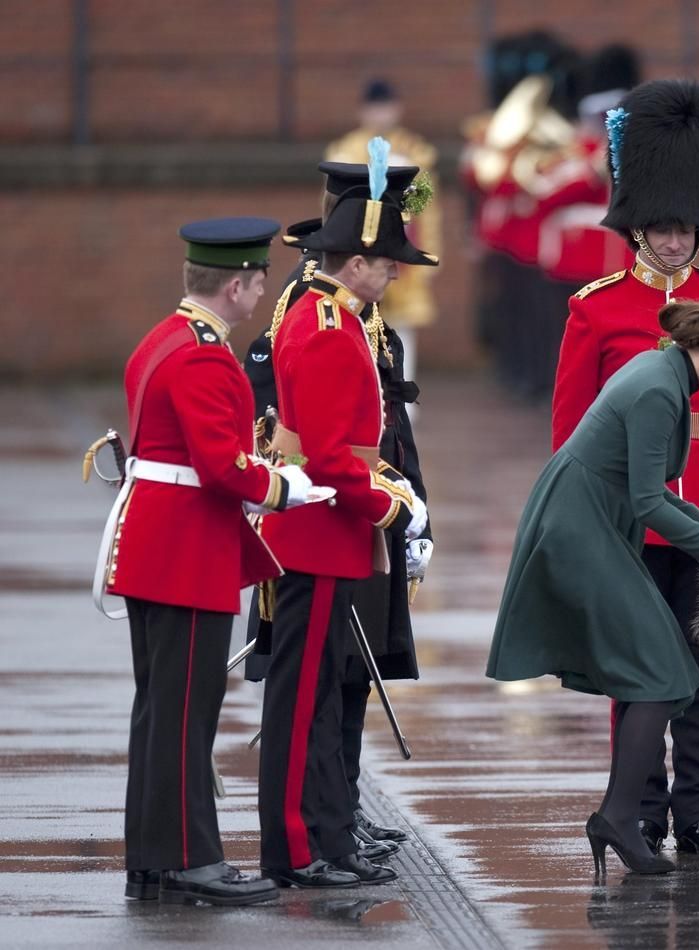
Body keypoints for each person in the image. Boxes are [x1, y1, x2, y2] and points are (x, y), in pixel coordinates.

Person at [552, 78, 699, 858]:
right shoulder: (597, 306)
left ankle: (698, 809)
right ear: (638, 228)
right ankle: (641, 804)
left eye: (686, 229)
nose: (677, 241)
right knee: (636, 671)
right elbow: (571, 431)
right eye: (663, 229)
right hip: (630, 520)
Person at [488, 292, 699, 874]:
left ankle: (619, 817)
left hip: (595, 518)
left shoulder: (665, 374)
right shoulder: (657, 388)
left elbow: (655, 492)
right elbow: (649, 502)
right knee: (658, 670)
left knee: (664, 670)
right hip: (583, 527)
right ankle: (621, 816)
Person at [103, 217, 312, 906]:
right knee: (188, 712)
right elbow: (222, 468)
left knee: (161, 710)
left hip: (159, 545)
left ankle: (154, 856)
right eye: (256, 283)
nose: (260, 295)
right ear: (236, 282)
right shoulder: (203, 355)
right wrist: (286, 487)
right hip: (186, 551)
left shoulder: (165, 338)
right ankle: (191, 859)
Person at [242, 159, 432, 857]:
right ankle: (298, 848)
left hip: (338, 531)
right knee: (301, 701)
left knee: (324, 690)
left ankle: (324, 834)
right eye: (386, 263)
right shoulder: (323, 324)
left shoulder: (344, 318)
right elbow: (326, 458)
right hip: (321, 530)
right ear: (356, 263)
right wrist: (393, 508)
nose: (393, 276)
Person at [326, 79, 442, 393]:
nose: (381, 115)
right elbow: (335, 207)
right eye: (374, 108)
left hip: (401, 251)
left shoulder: (416, 150)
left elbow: (426, 207)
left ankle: (400, 394)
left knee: (402, 328)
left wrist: (428, 251)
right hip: (357, 252)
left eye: (386, 107)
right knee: (358, 321)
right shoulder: (346, 150)